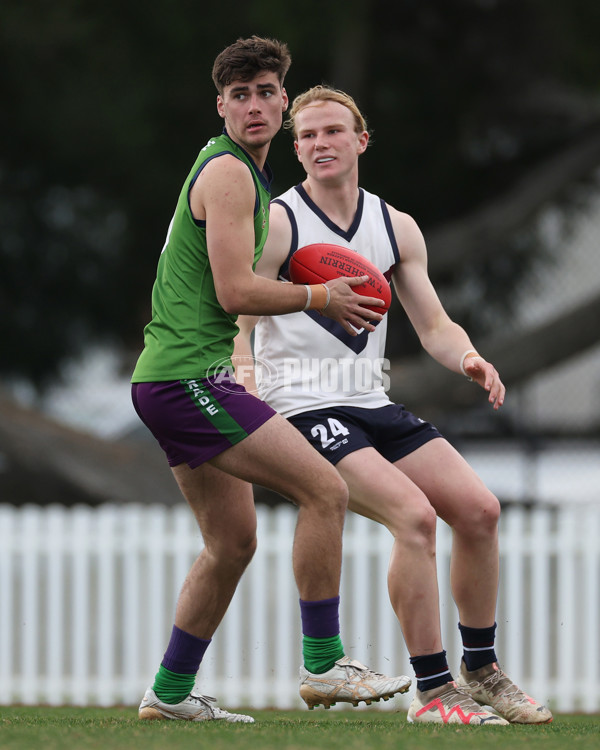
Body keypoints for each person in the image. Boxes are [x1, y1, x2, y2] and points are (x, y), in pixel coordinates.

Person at [235, 85, 553, 725]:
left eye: (332, 132)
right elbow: (239, 313)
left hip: (369, 399)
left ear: (361, 140)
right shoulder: (279, 220)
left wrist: (469, 357)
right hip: (302, 406)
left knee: (480, 511)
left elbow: (433, 324)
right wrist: (244, 374)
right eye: (307, 137)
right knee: (413, 517)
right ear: (295, 149)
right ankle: (433, 694)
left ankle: (482, 672)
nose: (320, 144)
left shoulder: (393, 225)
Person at [130, 39, 411, 723]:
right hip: (186, 378)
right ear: (220, 105)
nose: (254, 106)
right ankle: (324, 666)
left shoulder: (243, 177)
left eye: (265, 92)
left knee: (232, 542)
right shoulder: (228, 174)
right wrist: (322, 298)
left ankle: (168, 695)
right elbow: (233, 292)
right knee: (325, 487)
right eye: (240, 95)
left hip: (178, 379)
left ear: (284, 102)